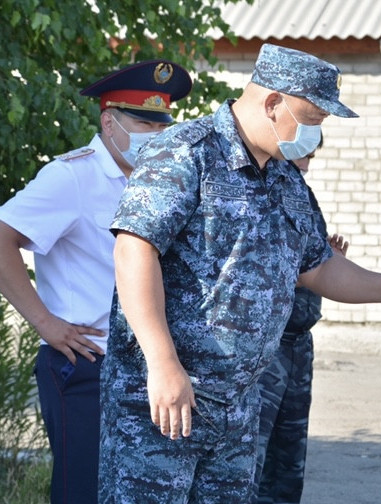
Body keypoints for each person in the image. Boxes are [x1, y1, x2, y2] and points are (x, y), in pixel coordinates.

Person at [99, 42, 381, 503]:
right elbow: (134, 250)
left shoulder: (284, 177)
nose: (315, 135)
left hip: (237, 408)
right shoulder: (187, 153)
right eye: (313, 119)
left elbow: (318, 266)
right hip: (163, 401)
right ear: (274, 103)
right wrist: (162, 364)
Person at [0, 60, 191, 503]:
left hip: (147, 367)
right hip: (88, 365)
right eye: (143, 123)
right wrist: (46, 324)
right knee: (83, 491)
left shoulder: (158, 183)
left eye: (162, 126)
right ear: (109, 121)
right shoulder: (73, 177)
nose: (155, 136)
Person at [252, 138, 348, 503]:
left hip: (296, 344)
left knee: (288, 462)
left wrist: (328, 260)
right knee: (252, 460)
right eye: (306, 153)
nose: (308, 162)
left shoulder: (299, 193)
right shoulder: (255, 187)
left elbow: (311, 260)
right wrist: (308, 268)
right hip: (267, 345)